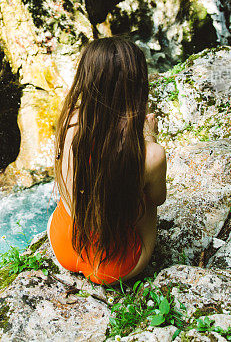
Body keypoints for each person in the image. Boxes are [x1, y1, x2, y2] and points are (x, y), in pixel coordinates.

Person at [47, 37, 167, 285]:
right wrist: (148, 138)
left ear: (86, 79)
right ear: (138, 85)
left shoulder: (69, 122)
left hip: (63, 245)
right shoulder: (152, 154)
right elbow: (158, 199)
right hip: (115, 265)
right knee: (145, 197)